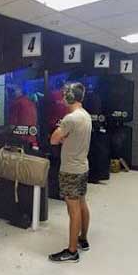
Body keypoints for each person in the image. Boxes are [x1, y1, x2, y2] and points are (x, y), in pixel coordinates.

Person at [48, 82, 92, 263]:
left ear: (69, 97)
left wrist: (62, 138)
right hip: (82, 167)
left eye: (64, 95)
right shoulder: (85, 115)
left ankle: (72, 251)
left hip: (70, 170)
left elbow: (53, 139)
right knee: (82, 203)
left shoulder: (70, 119)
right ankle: (83, 239)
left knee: (72, 210)